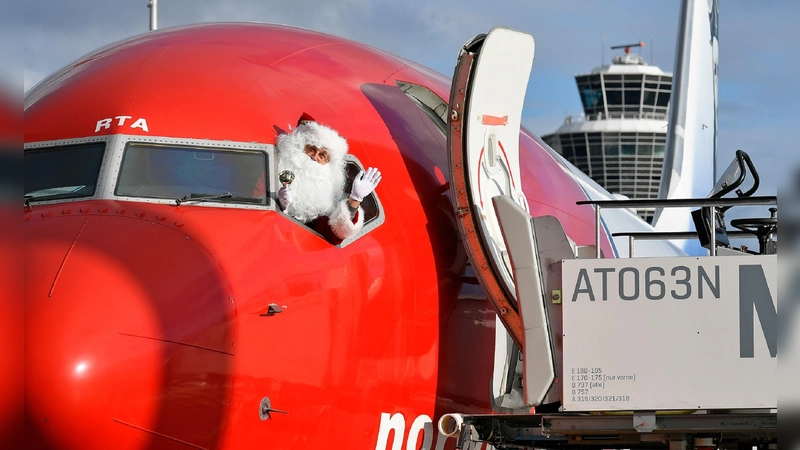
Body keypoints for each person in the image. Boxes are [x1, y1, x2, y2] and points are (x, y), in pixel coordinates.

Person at [275, 114, 381, 244]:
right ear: (299, 147)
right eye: (311, 149)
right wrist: (277, 204)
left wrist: (355, 199)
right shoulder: (274, 167)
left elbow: (334, 236)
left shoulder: (324, 200)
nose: (315, 157)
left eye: (322, 156)